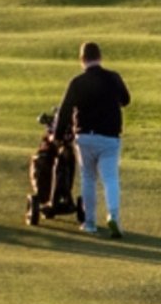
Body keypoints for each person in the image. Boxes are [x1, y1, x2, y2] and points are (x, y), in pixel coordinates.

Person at [51, 41, 131, 237]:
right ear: (100, 57)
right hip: (110, 137)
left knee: (88, 179)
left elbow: (65, 110)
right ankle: (113, 216)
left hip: (85, 136)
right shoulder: (113, 78)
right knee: (110, 178)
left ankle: (90, 222)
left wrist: (58, 135)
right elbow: (126, 100)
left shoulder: (77, 82)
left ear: (82, 60)